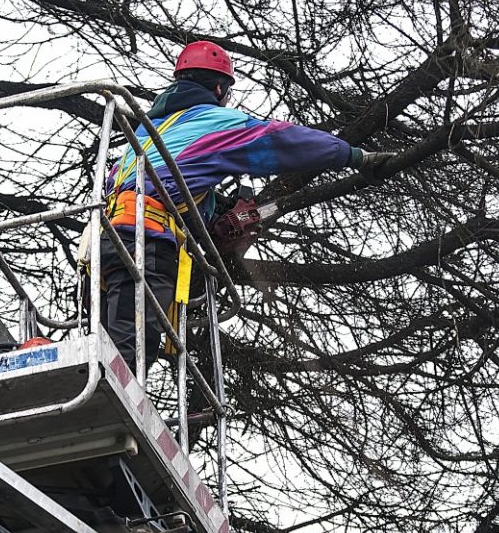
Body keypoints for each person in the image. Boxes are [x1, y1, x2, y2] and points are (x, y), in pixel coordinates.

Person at [99, 40, 393, 374]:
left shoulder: (147, 132)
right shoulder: (216, 122)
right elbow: (283, 140)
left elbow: (168, 186)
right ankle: (105, 408)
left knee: (112, 336)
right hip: (146, 239)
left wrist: (212, 212)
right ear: (220, 87)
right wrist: (353, 156)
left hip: (107, 240)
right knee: (133, 345)